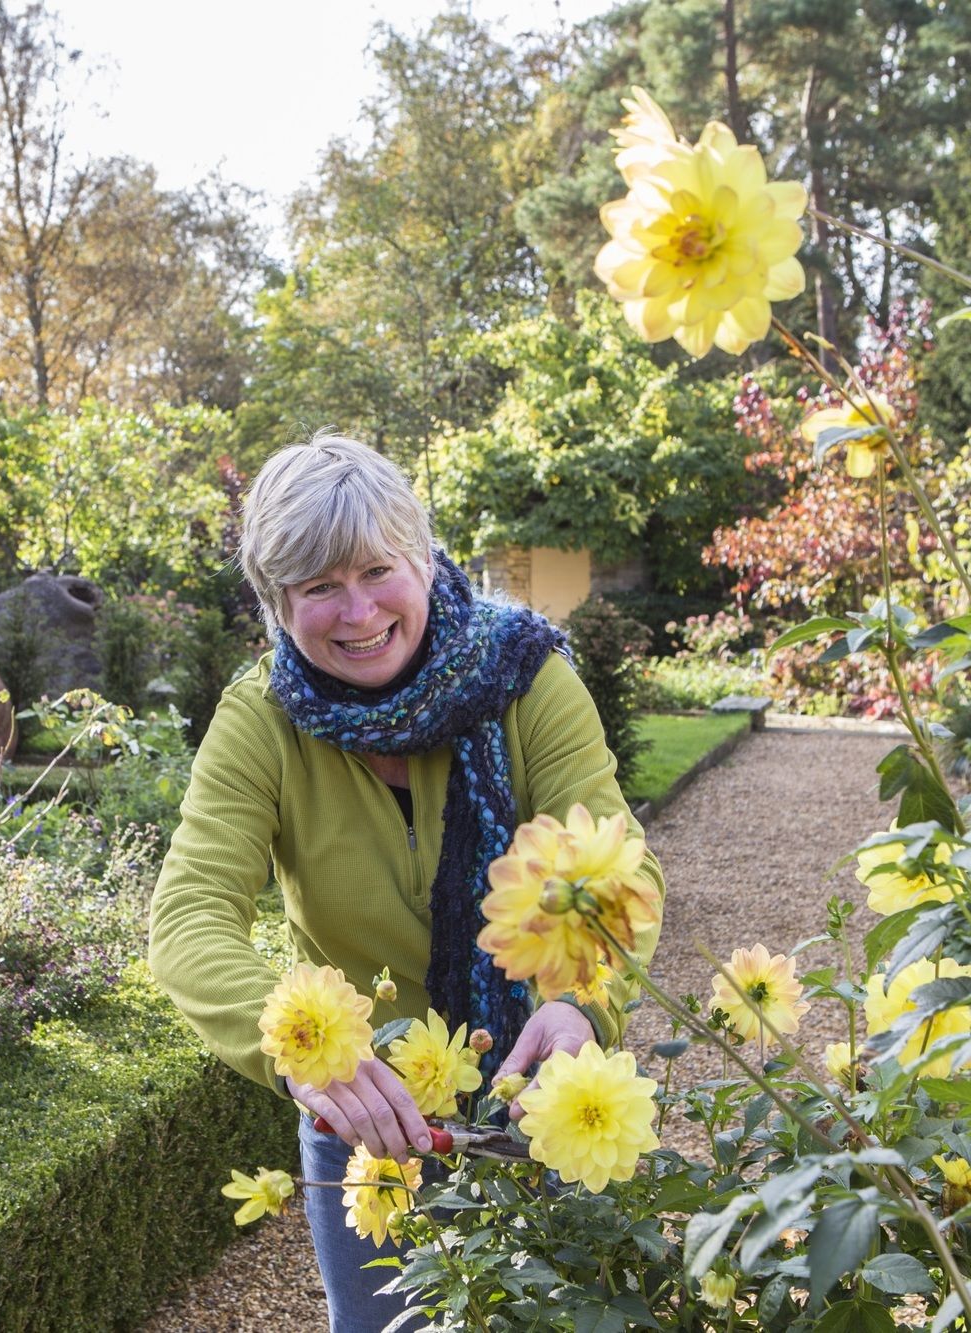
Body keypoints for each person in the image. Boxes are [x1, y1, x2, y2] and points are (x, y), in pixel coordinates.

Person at [149, 431, 665, 1332]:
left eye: (377, 570)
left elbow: (617, 864)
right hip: (371, 1121)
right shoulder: (259, 722)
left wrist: (585, 1002)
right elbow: (190, 918)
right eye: (318, 587)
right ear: (278, 602)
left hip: (544, 1089)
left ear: (423, 557)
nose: (356, 612)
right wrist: (309, 1056)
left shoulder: (525, 680)